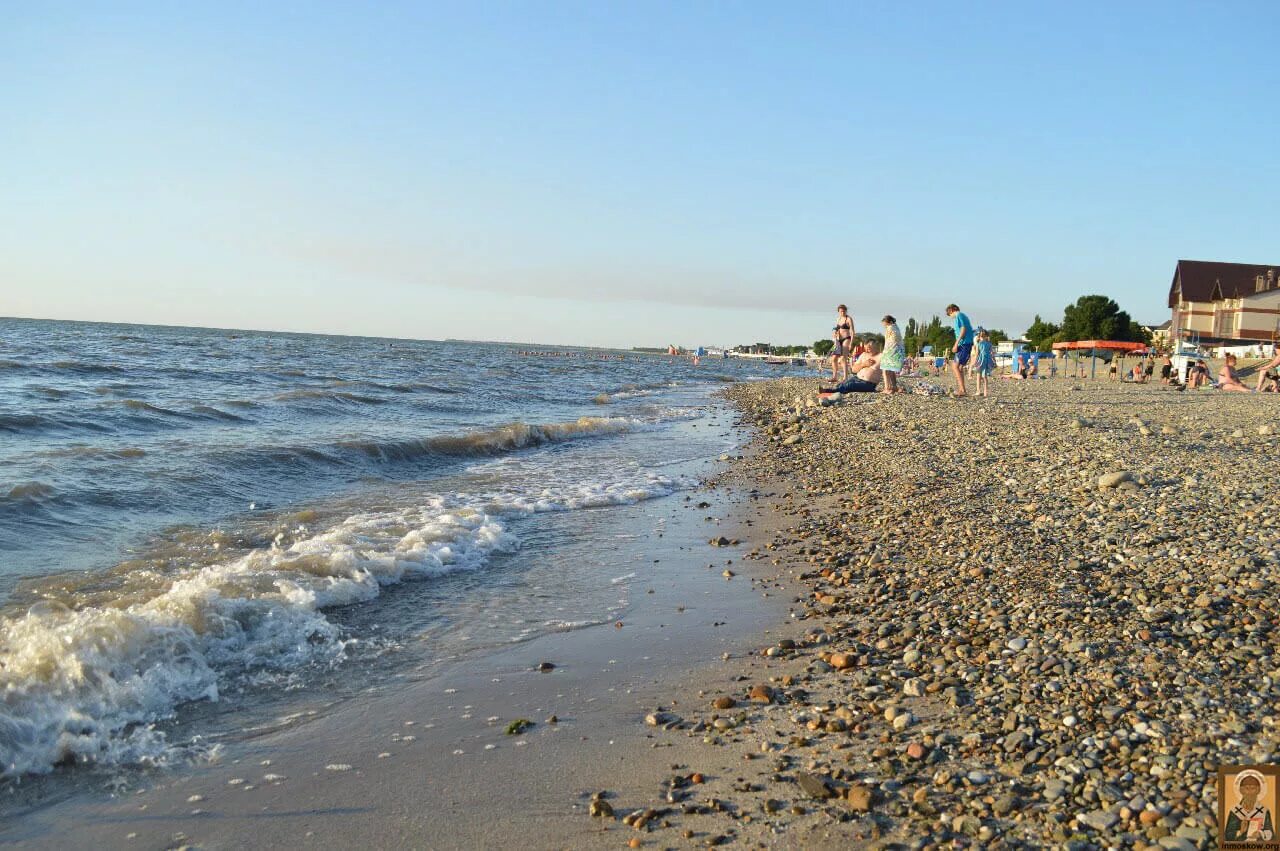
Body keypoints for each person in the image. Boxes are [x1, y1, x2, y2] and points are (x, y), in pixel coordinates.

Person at [1226, 770, 1274, 842]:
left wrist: (1261, 833)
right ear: (1241, 790)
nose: (1250, 792)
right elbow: (1227, 835)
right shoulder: (1235, 811)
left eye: (1253, 788)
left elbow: (1270, 833)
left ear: (1258, 790)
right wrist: (1240, 831)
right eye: (1247, 788)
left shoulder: (1264, 811)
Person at [944, 304, 973, 397]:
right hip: (967, 343)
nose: (951, 317)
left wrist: (956, 344)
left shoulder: (959, 316)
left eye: (950, 315)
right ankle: (962, 389)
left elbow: (963, 329)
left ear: (952, 310)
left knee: (954, 366)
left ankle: (962, 390)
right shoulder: (963, 316)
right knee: (959, 367)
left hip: (964, 344)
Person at [880, 315, 905, 394]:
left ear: (889, 322)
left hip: (890, 351)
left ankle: (887, 388)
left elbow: (888, 341)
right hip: (897, 351)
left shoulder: (890, 328)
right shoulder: (896, 328)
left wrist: (884, 351)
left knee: (885, 370)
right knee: (891, 370)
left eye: (885, 324)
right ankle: (894, 387)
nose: (884, 326)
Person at [831, 304, 854, 382]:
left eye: (844, 311)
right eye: (841, 311)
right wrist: (834, 333)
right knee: (834, 358)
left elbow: (852, 331)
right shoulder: (838, 319)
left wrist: (851, 343)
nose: (842, 313)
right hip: (838, 340)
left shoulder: (849, 319)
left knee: (843, 358)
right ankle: (834, 376)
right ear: (838, 312)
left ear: (846, 311)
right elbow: (836, 328)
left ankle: (845, 377)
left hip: (846, 339)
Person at [973, 329, 995, 397]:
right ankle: (985, 392)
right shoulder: (989, 343)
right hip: (987, 360)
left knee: (978, 376)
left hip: (980, 360)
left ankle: (978, 391)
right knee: (985, 377)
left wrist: (974, 362)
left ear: (979, 336)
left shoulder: (978, 344)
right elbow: (992, 353)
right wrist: (994, 360)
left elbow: (977, 354)